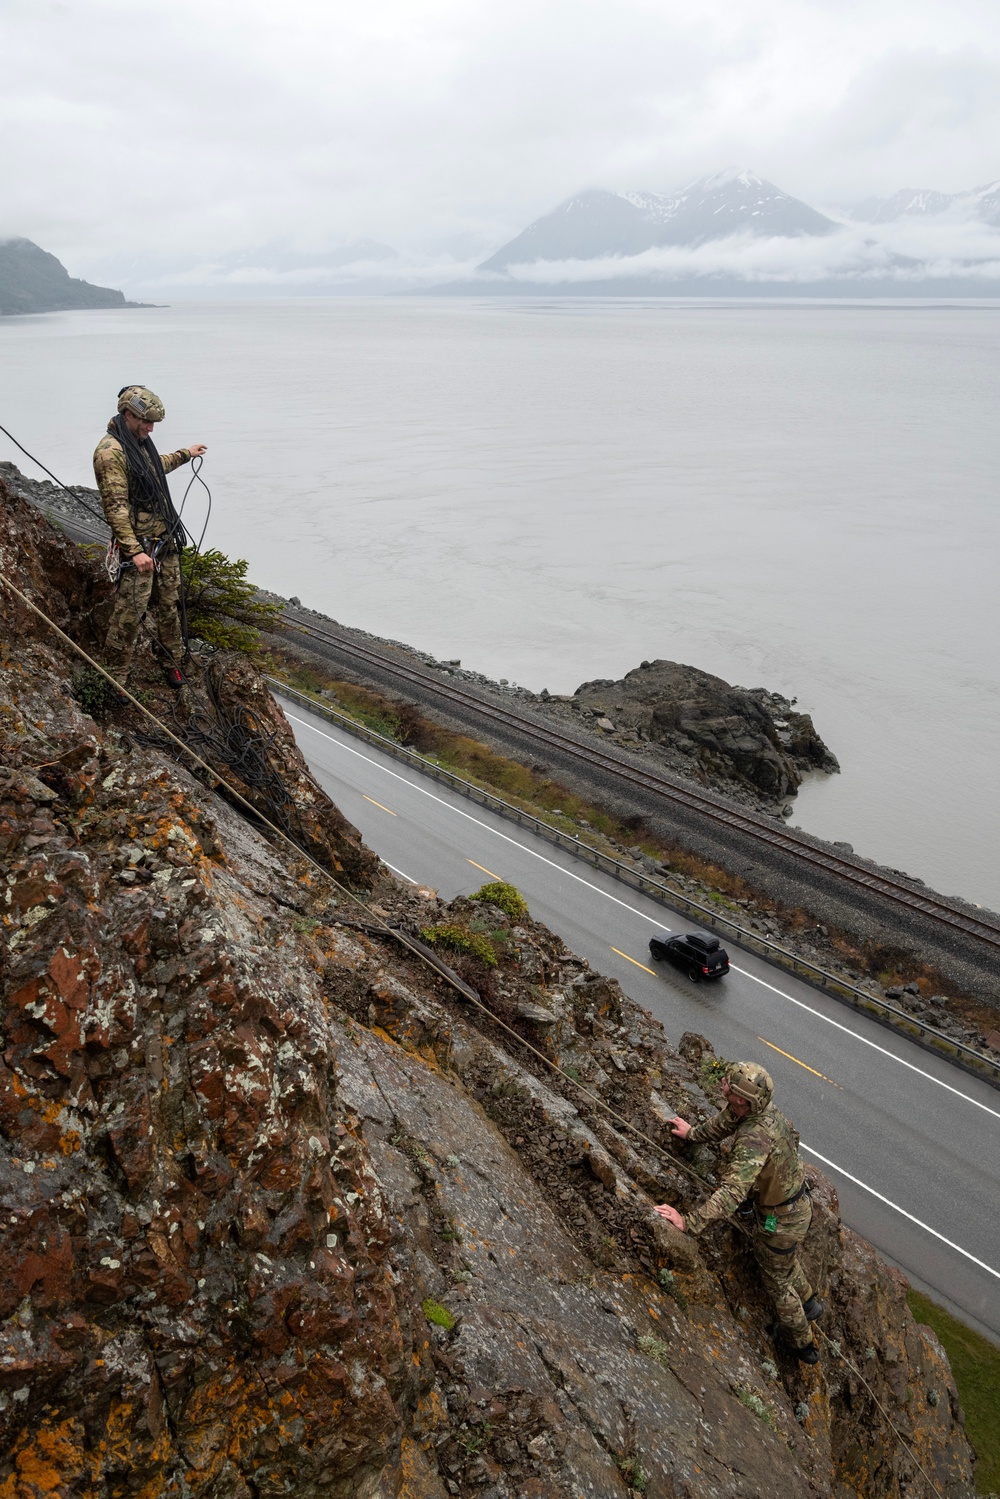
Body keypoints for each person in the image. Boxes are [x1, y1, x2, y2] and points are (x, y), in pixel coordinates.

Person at [654, 1062, 823, 1363]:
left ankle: (801, 1343)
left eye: (728, 1085)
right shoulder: (754, 1111)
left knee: (776, 1279)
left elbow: (732, 1192)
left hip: (781, 1220)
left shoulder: (753, 1138)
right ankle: (809, 1303)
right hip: (794, 1209)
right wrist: (692, 1133)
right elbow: (725, 1122)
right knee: (783, 1260)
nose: (722, 1084)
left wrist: (688, 1222)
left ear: (743, 1100)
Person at [94, 385, 206, 689]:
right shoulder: (111, 452)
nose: (150, 428)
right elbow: (115, 507)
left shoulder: (140, 442)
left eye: (153, 423)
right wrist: (133, 551)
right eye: (145, 421)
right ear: (128, 415)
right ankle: (113, 679)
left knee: (170, 607)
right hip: (140, 550)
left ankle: (171, 663)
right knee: (129, 615)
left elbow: (156, 468)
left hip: (163, 542)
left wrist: (186, 454)